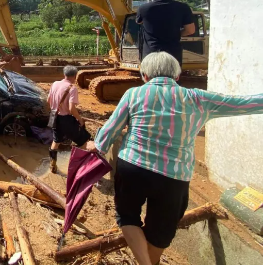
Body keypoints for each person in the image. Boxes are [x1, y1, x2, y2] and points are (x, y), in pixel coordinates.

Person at [86, 52, 263, 265]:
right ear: (177, 77)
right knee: (161, 231)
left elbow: (111, 130)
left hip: (133, 167)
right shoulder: (199, 98)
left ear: (144, 75)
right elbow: (244, 103)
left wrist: (97, 145)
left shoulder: (133, 94)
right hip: (174, 176)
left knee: (127, 216)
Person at [136, 0, 196, 66]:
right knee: (171, 79)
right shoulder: (183, 8)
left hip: (151, 55)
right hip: (173, 55)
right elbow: (190, 30)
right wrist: (175, 33)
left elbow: (139, 22)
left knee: (151, 79)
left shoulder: (143, 8)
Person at [47, 65, 90, 173]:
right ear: (75, 76)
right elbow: (71, 108)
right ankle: (83, 168)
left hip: (54, 117)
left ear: (64, 74)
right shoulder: (72, 88)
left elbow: (48, 100)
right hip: (66, 119)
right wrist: (80, 119)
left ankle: (52, 164)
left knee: (56, 140)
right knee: (83, 140)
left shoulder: (55, 84)